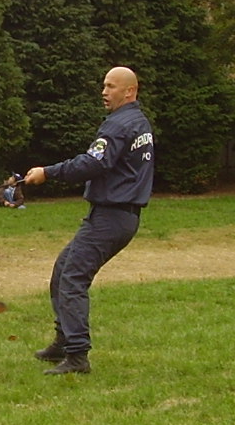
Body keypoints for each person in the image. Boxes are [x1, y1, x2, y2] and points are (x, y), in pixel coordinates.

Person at [24, 67, 155, 375]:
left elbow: (92, 163)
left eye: (111, 86)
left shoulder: (119, 124)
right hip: (117, 215)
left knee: (73, 278)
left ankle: (77, 355)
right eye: (104, 86)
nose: (104, 92)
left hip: (112, 216)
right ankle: (63, 341)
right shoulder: (138, 122)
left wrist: (47, 172)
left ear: (129, 91)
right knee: (63, 269)